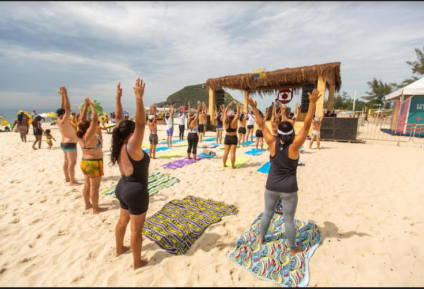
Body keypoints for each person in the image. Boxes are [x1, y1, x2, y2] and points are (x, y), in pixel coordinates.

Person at [247, 89, 322, 256]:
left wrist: (253, 107)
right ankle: (292, 248)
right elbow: (307, 125)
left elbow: (261, 124)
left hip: (271, 185)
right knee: (288, 219)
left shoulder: (272, 143)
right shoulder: (295, 146)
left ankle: (261, 238)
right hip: (289, 187)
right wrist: (312, 103)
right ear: (292, 132)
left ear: (278, 132)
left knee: (267, 213)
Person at [111, 78, 150, 270]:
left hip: (122, 187)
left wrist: (117, 99)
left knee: (122, 221)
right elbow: (141, 124)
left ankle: (119, 249)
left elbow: (119, 119)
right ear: (130, 134)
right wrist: (138, 99)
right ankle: (137, 262)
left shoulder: (119, 142)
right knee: (136, 229)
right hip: (136, 191)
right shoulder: (132, 146)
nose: (137, 133)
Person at [77, 97, 108, 214]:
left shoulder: (80, 133)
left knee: (86, 185)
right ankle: (96, 208)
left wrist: (85, 107)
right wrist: (93, 107)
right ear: (88, 127)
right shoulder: (89, 135)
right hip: (94, 163)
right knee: (94, 188)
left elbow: (82, 119)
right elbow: (95, 121)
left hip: (84, 161)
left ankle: (87, 205)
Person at [57, 86, 81, 186]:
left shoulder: (59, 120)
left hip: (64, 143)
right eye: (66, 113)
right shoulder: (64, 120)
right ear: (63, 114)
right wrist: (66, 95)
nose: (69, 114)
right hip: (70, 143)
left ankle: (67, 178)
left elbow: (63, 107)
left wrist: (62, 96)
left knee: (66, 161)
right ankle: (72, 181)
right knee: (72, 163)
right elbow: (67, 108)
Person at [222, 100, 240, 169]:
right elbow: (238, 112)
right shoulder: (234, 121)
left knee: (226, 152)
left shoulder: (225, 121)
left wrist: (228, 106)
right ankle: (232, 166)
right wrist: (237, 104)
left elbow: (224, 112)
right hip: (233, 137)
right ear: (232, 116)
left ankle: (224, 164)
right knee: (232, 153)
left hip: (227, 137)